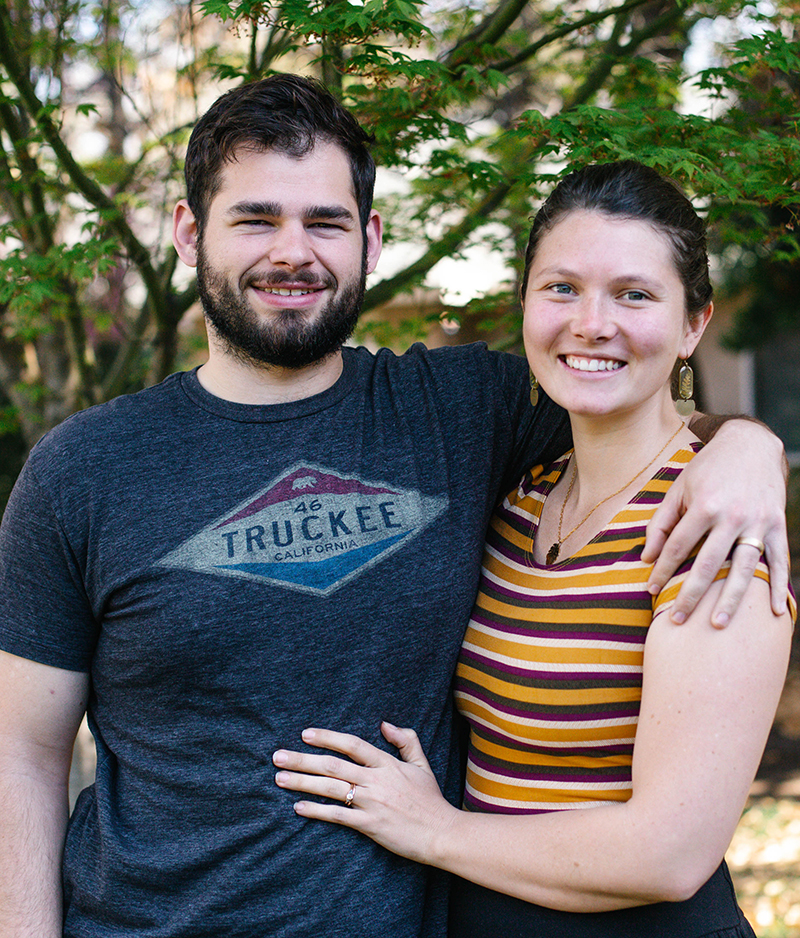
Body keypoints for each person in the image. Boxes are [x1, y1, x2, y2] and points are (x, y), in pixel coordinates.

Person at [0, 73, 788, 938]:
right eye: (256, 218)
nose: (292, 252)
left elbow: (635, 404)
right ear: (191, 232)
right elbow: (22, 754)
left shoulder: (461, 411)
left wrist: (748, 449)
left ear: (370, 239)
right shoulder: (83, 469)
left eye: (326, 222)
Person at [272, 161, 796, 936]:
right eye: (562, 288)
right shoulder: (520, 497)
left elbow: (670, 853)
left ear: (694, 324)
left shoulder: (711, 530)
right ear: (524, 303)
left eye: (635, 294)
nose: (592, 323)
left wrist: (432, 829)